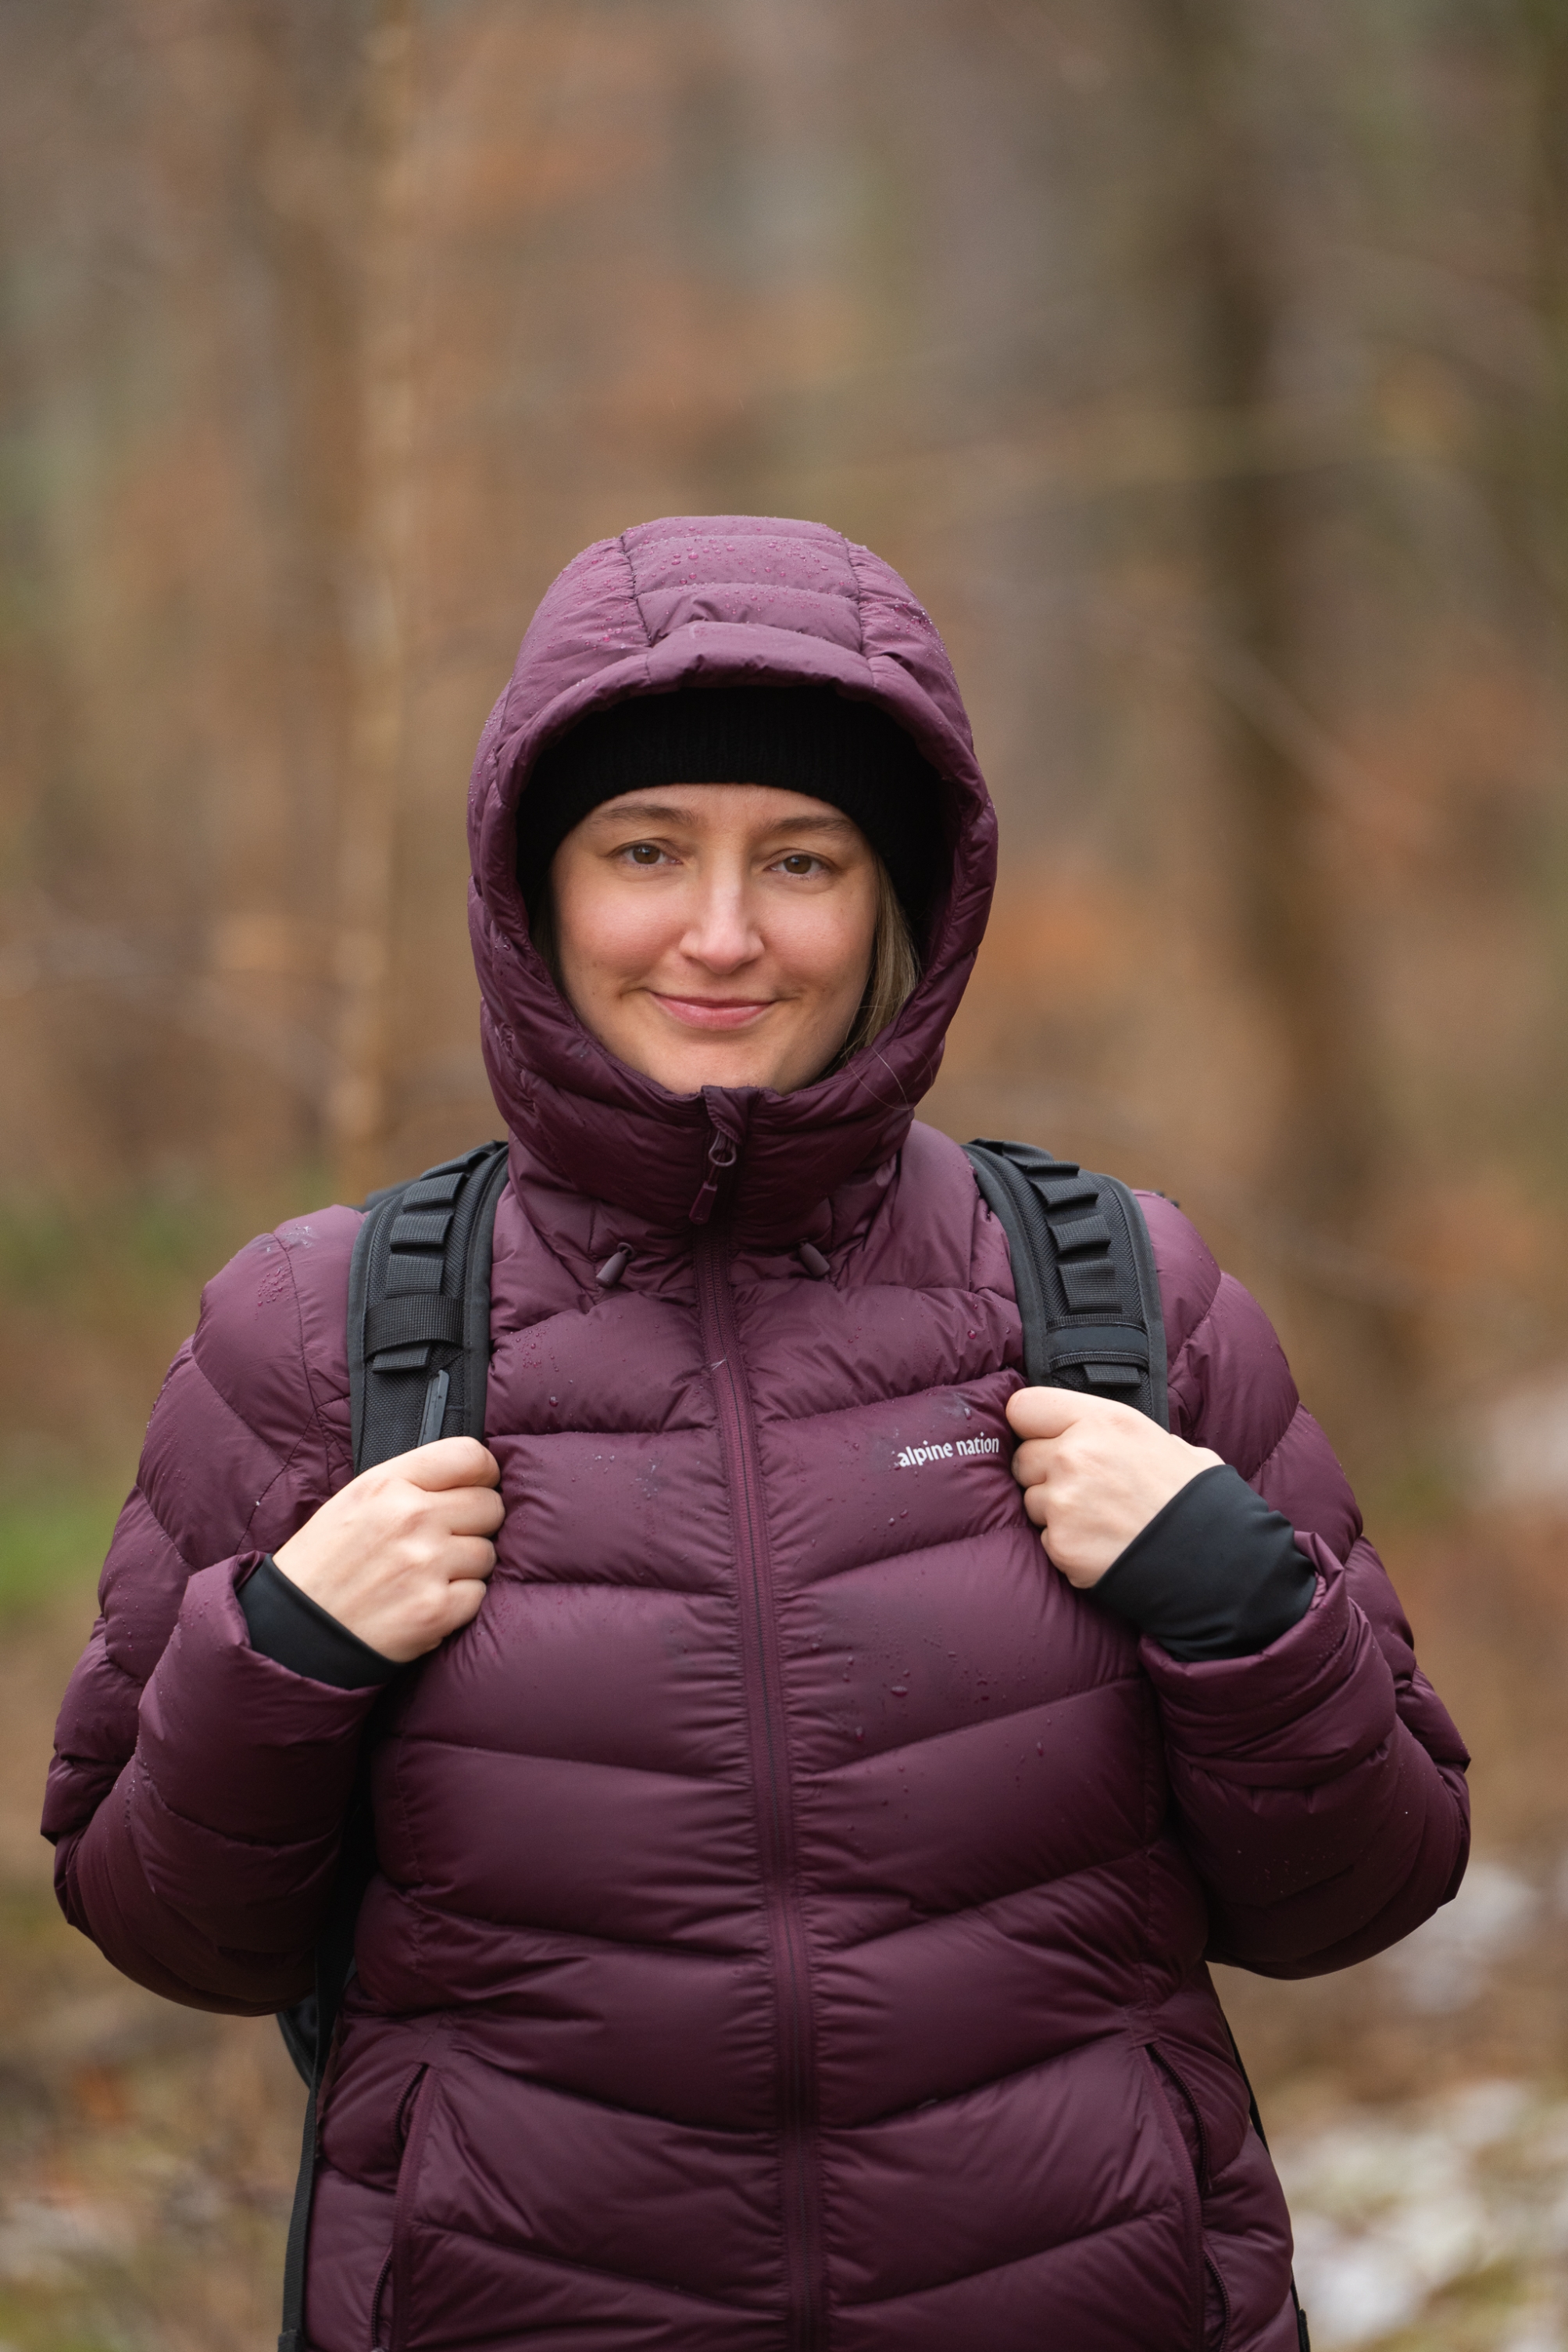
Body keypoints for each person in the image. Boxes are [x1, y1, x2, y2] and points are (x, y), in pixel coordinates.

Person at [45, 515, 1469, 2352]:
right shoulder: (326, 1328)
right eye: (647, 849)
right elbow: (166, 1922)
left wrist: (1237, 1601)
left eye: (798, 857)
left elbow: (1365, 1885)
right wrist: (286, 1651)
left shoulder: (1113, 1292)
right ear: (533, 886)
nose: (721, 932)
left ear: (902, 901)